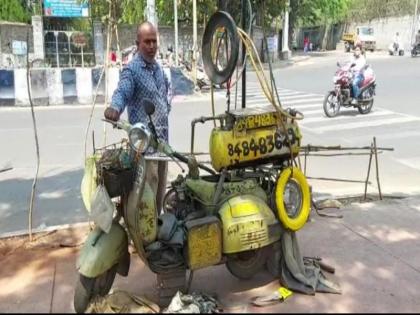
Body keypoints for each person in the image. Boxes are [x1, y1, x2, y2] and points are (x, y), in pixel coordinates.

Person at [104, 21, 172, 214]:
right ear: (137, 43)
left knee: (159, 195)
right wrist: (114, 108)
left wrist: (167, 107)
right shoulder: (132, 70)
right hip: (145, 149)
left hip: (163, 145)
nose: (151, 46)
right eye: (147, 42)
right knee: (146, 197)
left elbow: (165, 95)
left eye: (154, 42)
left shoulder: (158, 69)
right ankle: (144, 239)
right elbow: (122, 91)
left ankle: (156, 233)